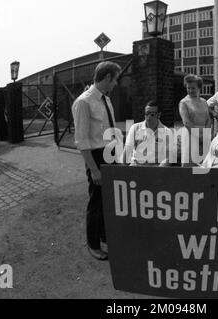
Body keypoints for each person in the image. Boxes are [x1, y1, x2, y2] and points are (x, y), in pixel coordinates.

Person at [72, 61, 122, 261]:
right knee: (96, 201)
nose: (116, 84)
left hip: (109, 153)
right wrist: (94, 170)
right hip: (96, 156)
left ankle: (105, 235)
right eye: (115, 79)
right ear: (108, 77)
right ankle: (93, 244)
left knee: (107, 199)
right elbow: (81, 140)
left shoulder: (105, 99)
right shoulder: (84, 102)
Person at [122, 101, 175, 166]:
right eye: (147, 113)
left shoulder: (167, 132)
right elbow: (127, 150)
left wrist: (159, 169)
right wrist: (126, 169)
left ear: (159, 115)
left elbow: (169, 157)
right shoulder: (135, 128)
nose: (149, 117)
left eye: (152, 114)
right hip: (136, 166)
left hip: (156, 167)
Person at [179, 75, 211, 166]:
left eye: (193, 88)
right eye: (188, 88)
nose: (190, 91)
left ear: (199, 87)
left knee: (203, 163)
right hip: (190, 135)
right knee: (190, 164)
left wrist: (206, 135)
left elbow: (208, 119)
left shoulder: (204, 101)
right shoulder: (183, 102)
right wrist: (199, 137)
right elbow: (186, 122)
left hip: (204, 136)